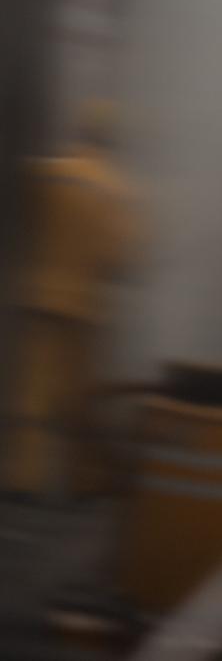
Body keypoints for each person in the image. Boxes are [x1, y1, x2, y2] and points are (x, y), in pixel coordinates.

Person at [4, 99, 138, 497]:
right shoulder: (118, 189)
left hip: (41, 297)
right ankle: (85, 480)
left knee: (35, 391)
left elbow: (22, 220)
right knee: (81, 397)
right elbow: (120, 256)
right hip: (86, 306)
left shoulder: (48, 173)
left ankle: (22, 476)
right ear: (115, 139)